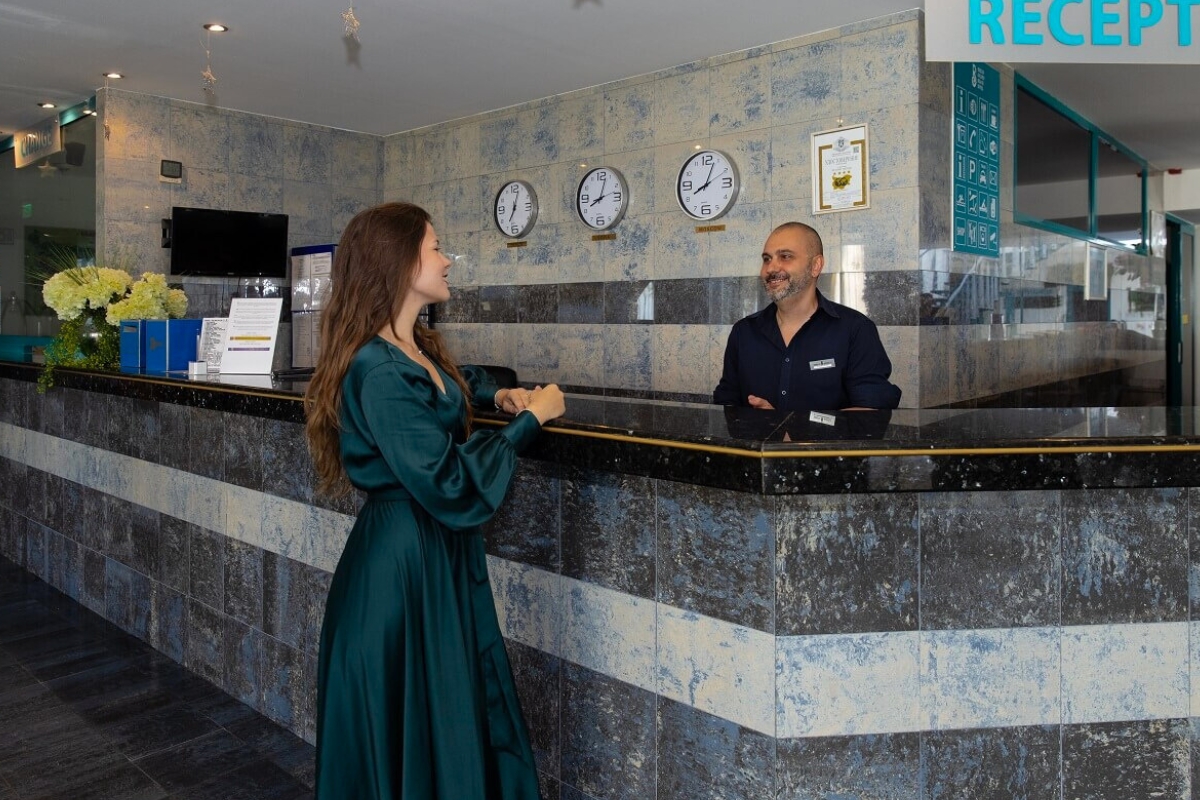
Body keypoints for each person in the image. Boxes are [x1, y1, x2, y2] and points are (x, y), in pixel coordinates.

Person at [304, 201, 564, 799]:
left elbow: (450, 382)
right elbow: (447, 479)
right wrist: (532, 421)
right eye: (436, 247)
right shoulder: (376, 367)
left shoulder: (409, 346)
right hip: (401, 571)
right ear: (400, 262)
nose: (447, 260)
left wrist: (498, 395)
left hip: (427, 556)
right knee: (419, 722)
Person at [713, 221, 901, 411]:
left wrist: (785, 423)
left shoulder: (855, 329)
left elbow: (871, 409)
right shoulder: (744, 332)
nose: (771, 268)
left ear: (815, 266)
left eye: (785, 256)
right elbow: (726, 404)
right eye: (767, 259)